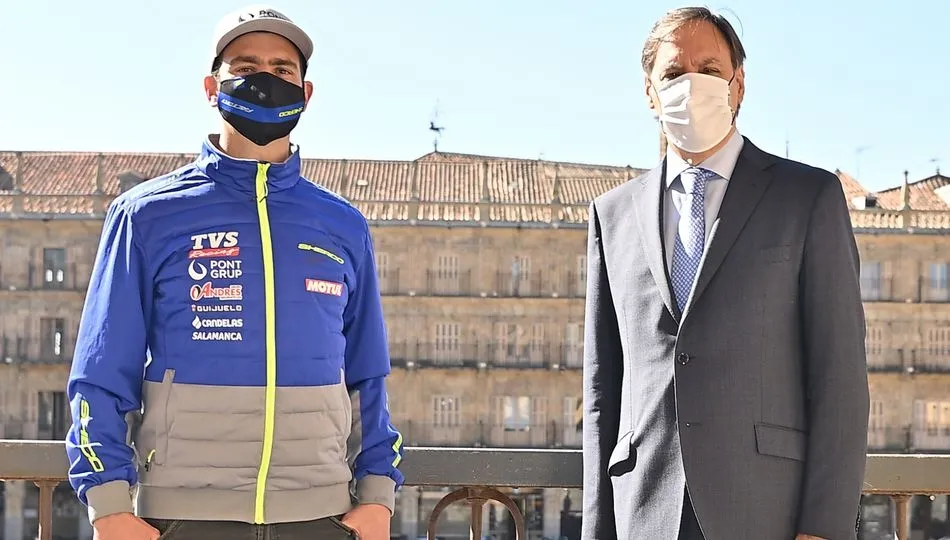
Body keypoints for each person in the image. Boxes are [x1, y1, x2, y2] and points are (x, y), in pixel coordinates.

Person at [63, 5, 404, 539]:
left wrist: (378, 497)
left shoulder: (342, 224)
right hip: (184, 516)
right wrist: (109, 506)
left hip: (321, 515)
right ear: (210, 86)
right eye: (245, 68)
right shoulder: (147, 214)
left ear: (306, 92)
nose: (265, 80)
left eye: (282, 69)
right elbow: (101, 371)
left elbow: (366, 373)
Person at [581, 7, 869, 540]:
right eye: (672, 73)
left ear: (738, 87)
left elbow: (840, 378)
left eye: (710, 70)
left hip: (767, 511)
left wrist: (825, 526)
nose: (691, 84)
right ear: (649, 93)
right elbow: (603, 391)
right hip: (644, 511)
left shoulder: (806, 198)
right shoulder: (612, 215)